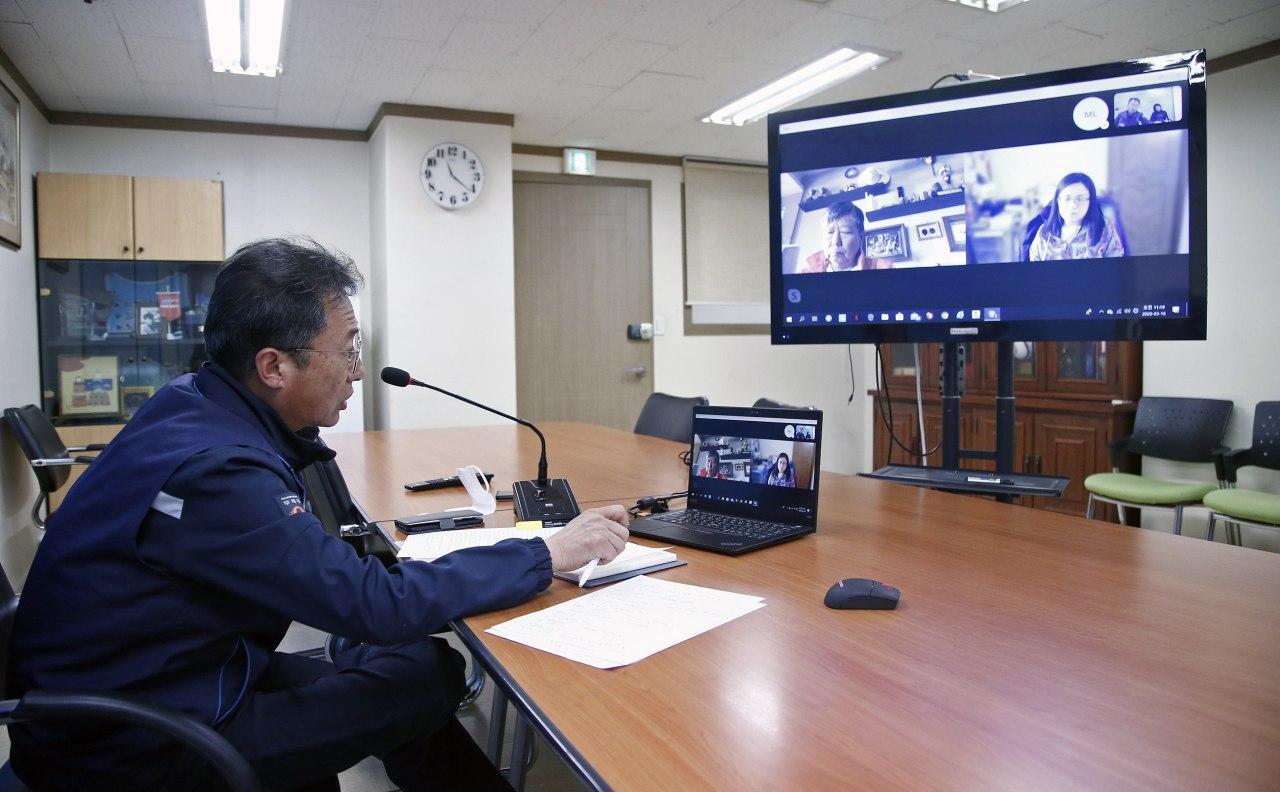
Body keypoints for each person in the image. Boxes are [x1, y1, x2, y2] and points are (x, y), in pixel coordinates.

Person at [6, 237, 631, 791]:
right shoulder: (217, 473)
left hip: (168, 679)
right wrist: (547, 552)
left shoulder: (192, 401)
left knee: (404, 660)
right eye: (348, 348)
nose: (358, 369)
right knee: (421, 671)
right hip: (133, 742)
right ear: (273, 365)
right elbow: (375, 603)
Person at [1027, 172, 1125, 261]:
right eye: (1067, 198)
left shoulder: (1103, 228)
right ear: (1058, 200)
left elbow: (1116, 268)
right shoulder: (1044, 232)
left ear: (1090, 202)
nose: (1073, 205)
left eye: (1080, 199)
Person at [800, 201, 888, 272]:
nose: (836, 241)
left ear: (861, 238)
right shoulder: (805, 274)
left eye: (845, 232)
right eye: (830, 232)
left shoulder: (884, 270)